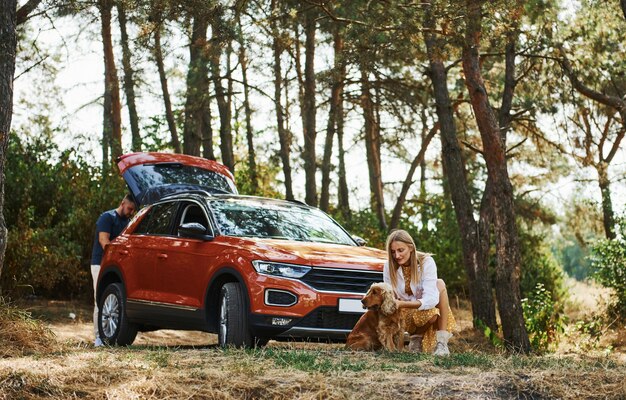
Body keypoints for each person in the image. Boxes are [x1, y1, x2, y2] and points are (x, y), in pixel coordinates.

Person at [383, 229, 456, 355]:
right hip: (402, 314)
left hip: (420, 309)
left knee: (439, 285)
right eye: (393, 252)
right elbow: (390, 298)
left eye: (401, 250)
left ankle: (441, 343)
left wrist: (403, 303)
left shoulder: (426, 262)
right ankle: (414, 337)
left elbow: (431, 299)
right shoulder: (388, 266)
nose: (397, 256)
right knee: (430, 308)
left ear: (411, 248)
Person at [90, 194, 136, 347]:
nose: (131, 212)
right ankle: (98, 338)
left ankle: (110, 336)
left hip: (116, 267)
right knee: (100, 301)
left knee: (113, 302)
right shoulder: (107, 217)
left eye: (133, 210)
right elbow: (104, 240)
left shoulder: (128, 223)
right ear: (122, 203)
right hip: (100, 264)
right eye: (129, 208)